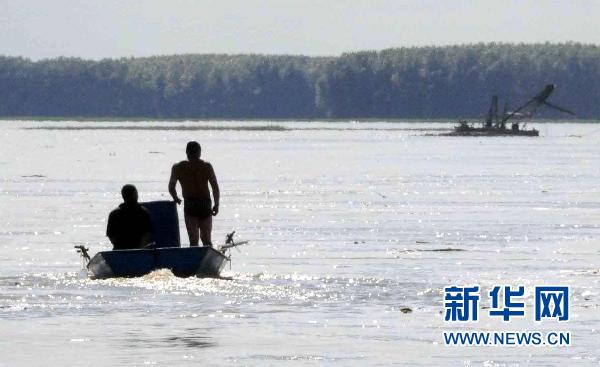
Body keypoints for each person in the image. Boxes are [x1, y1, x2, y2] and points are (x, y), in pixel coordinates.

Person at [168, 141, 220, 247]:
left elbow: (171, 186)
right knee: (206, 240)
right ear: (199, 152)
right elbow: (215, 187)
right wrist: (216, 204)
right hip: (205, 204)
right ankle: (208, 261)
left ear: (187, 152)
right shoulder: (206, 166)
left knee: (193, 241)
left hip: (190, 204)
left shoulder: (178, 167)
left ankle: (194, 261)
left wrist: (176, 198)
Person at [106, 184, 154, 250]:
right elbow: (148, 234)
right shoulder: (143, 212)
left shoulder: (114, 214)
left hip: (119, 251)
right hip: (140, 252)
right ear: (135, 195)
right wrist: (140, 249)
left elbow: (111, 235)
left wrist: (119, 246)